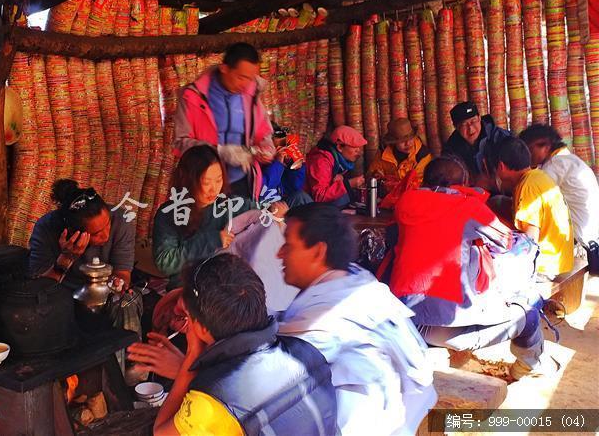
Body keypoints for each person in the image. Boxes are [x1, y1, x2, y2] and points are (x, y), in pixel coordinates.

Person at [390, 157, 556, 380]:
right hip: (443, 330)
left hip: (402, 319)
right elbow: (506, 242)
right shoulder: (468, 206)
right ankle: (530, 366)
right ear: (462, 184)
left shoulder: (406, 201)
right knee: (529, 312)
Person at [276, 203, 436, 434]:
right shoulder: (359, 281)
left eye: (288, 245)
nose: (279, 253)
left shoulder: (322, 326)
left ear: (318, 251)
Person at [146, 254, 337, 436]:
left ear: (202, 329)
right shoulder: (306, 352)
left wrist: (193, 354)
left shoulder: (214, 401)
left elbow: (161, 431)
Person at [152, 145, 286, 288]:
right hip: (188, 287)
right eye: (206, 182)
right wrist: (212, 240)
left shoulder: (230, 205)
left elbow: (261, 210)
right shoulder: (169, 214)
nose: (214, 189)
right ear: (187, 180)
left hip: (227, 286)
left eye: (218, 180)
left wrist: (275, 212)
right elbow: (165, 262)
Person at [173, 42, 275, 199]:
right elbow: (180, 142)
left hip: (240, 182)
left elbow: (264, 133)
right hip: (204, 185)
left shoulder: (251, 95)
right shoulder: (193, 96)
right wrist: (220, 150)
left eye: (251, 78)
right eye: (241, 77)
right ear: (224, 68)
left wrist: (265, 148)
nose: (246, 84)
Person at [490, 137, 575, 280]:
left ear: (501, 166)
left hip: (547, 267)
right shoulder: (536, 176)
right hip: (560, 260)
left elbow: (530, 239)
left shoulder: (527, 187)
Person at [28, 179, 134, 288]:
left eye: (108, 224)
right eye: (96, 233)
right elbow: (40, 287)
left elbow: (122, 273)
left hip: (104, 290)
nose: (106, 235)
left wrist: (118, 284)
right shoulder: (45, 228)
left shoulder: (120, 220)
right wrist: (66, 257)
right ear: (73, 232)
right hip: (61, 292)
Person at [520, 124, 599, 251]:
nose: (528, 155)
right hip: (591, 235)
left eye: (530, 149)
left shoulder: (555, 165)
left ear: (545, 147)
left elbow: (534, 204)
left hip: (578, 242)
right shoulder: (568, 159)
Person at [443, 101, 512, 188]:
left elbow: (517, 170)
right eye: (464, 125)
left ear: (479, 118)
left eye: (473, 121)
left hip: (504, 191)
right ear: (456, 127)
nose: (470, 129)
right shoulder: (451, 148)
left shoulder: (501, 137)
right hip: (471, 195)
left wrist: (492, 182)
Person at [305, 125, 367, 207]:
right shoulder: (321, 161)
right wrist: (348, 184)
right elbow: (319, 196)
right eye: (354, 148)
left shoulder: (340, 162)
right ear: (340, 147)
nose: (358, 152)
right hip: (308, 207)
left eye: (359, 148)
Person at [367, 117, 433, 194]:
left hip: (413, 196)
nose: (408, 144)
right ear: (393, 142)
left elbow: (420, 183)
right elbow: (370, 176)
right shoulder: (383, 154)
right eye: (402, 141)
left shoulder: (422, 155)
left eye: (410, 138)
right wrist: (377, 176)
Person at [260, 134, 312, 207]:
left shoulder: (279, 166)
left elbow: (295, 187)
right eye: (277, 147)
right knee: (301, 197)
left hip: (279, 202)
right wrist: (277, 164)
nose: (282, 151)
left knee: (301, 198)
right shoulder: (259, 163)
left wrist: (294, 168)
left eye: (284, 147)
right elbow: (264, 191)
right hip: (263, 206)